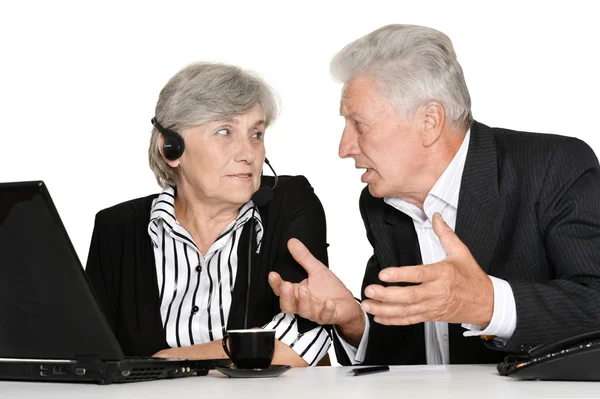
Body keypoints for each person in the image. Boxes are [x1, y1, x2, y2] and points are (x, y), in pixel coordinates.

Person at [268, 24, 600, 365]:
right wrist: (353, 321)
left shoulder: (553, 167)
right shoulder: (380, 203)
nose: (344, 148)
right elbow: (410, 351)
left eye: (359, 125)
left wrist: (488, 303)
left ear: (430, 121)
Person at [86, 62, 331, 367]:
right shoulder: (117, 228)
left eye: (256, 133)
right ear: (171, 148)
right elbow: (93, 353)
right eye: (225, 131)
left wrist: (166, 361)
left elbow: (304, 339)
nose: (248, 153)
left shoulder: (291, 202)